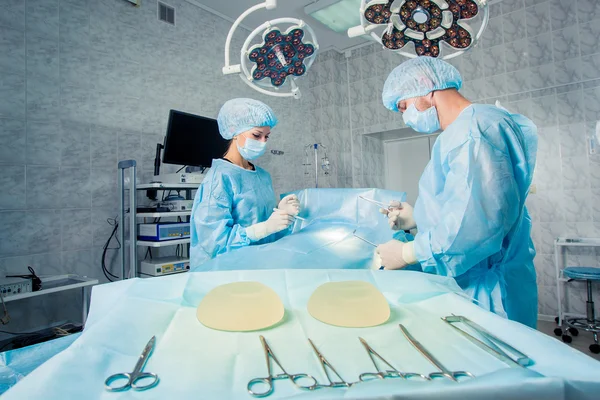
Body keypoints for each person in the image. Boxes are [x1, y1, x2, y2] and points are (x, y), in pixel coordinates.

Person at [376, 57, 538, 328]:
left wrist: (407, 253)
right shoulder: (464, 132)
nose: (405, 117)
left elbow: (475, 225)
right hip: (477, 281)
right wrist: (417, 219)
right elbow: (470, 205)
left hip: (489, 293)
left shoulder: (474, 132)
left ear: (426, 87)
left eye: (404, 106)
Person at [190, 98, 300, 268]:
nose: (263, 142)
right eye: (257, 135)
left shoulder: (262, 176)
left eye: (266, 137)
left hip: (260, 265)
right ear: (234, 131)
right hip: (227, 273)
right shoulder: (219, 178)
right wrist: (264, 228)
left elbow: (263, 225)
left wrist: (282, 213)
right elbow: (213, 242)